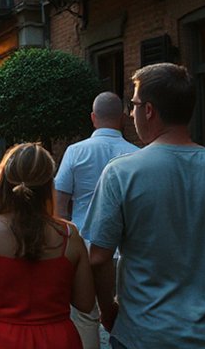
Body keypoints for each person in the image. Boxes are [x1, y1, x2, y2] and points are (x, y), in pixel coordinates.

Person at [84, 63, 205, 349]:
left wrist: (109, 312)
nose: (131, 113)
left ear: (149, 110)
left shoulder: (121, 174)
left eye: (134, 105)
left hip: (143, 334)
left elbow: (98, 258)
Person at [0, 143, 94, 348]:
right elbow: (85, 302)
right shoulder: (69, 235)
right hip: (57, 337)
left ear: (2, 181)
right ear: (48, 185)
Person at [54, 91, 138, 348]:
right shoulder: (136, 154)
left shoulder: (75, 152)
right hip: (125, 249)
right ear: (123, 118)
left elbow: (60, 203)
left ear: (93, 118)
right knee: (128, 311)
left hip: (85, 244)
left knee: (85, 313)